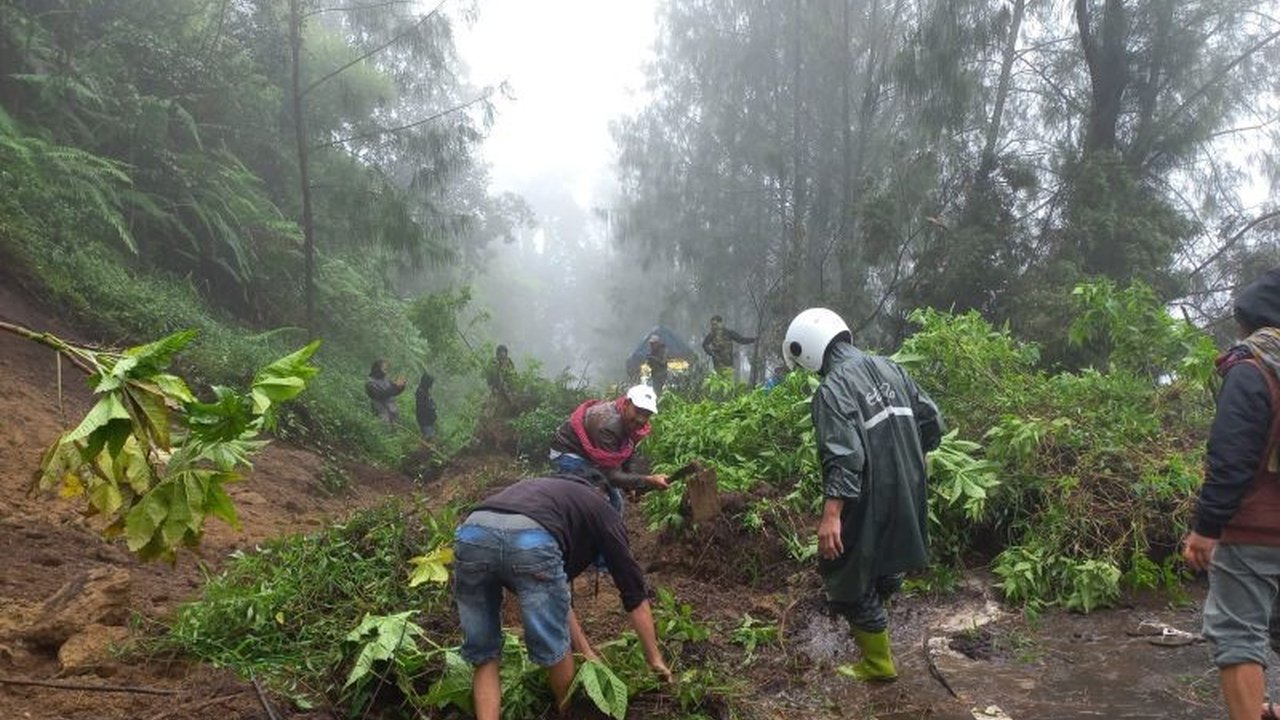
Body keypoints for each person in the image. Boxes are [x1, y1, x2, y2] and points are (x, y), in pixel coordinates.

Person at [783, 307, 943, 682]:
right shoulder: (891, 368)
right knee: (890, 554)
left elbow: (844, 455)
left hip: (868, 493)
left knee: (844, 570)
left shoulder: (832, 388)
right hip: (909, 484)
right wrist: (913, 461)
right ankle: (877, 618)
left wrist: (831, 515)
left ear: (807, 350)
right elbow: (931, 419)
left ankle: (877, 663)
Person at [453, 472, 673, 720]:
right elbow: (634, 593)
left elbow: (559, 600)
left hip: (473, 533)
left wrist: (588, 654)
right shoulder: (604, 510)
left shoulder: (548, 493)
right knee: (556, 648)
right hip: (530, 540)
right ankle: (566, 711)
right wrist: (655, 659)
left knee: (484, 654)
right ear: (605, 494)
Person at [1182, 268, 1280, 720]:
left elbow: (1231, 458)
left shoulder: (1253, 369)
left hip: (1256, 532)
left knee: (1238, 634)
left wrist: (1207, 528)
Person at [549, 385, 669, 512]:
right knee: (597, 503)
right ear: (627, 404)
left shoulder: (630, 424)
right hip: (569, 451)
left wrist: (631, 487)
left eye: (647, 414)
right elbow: (611, 476)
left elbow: (628, 452)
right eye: (638, 411)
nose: (641, 419)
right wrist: (647, 481)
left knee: (615, 503)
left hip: (591, 455)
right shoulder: (609, 426)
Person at [365, 359, 406, 424]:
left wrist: (401, 387)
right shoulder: (370, 382)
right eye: (383, 366)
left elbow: (393, 392)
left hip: (392, 413)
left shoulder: (386, 380)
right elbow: (380, 394)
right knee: (383, 426)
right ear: (377, 368)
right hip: (382, 415)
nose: (386, 367)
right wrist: (395, 386)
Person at [486, 344, 517, 416]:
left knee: (512, 403)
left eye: (504, 352)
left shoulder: (509, 362)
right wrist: (493, 386)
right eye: (501, 352)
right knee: (491, 407)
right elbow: (489, 376)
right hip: (496, 388)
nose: (502, 354)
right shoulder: (493, 362)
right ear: (498, 353)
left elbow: (514, 375)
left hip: (508, 388)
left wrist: (512, 386)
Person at [415, 372, 437, 440]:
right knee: (429, 438)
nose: (431, 385)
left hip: (428, 421)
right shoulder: (421, 393)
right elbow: (424, 408)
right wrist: (432, 407)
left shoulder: (425, 392)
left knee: (430, 438)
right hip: (425, 421)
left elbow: (430, 404)